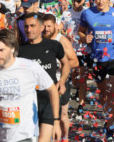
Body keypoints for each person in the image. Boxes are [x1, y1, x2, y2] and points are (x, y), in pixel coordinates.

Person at [0, 29, 61, 142]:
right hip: (1, 135)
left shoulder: (30, 67)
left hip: (26, 134)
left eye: (1, 50)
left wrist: (55, 121)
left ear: (12, 49)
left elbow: (52, 90)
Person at [78, 0, 114, 138]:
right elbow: (81, 31)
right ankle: (108, 114)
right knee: (102, 92)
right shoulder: (87, 13)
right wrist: (84, 38)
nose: (100, 2)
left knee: (110, 88)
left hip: (113, 55)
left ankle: (110, 126)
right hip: (96, 57)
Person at [18, 13, 71, 142]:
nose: (29, 30)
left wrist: (62, 81)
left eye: (32, 26)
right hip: (28, 102)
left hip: (49, 100)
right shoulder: (19, 50)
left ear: (41, 28)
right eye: (26, 26)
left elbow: (67, 63)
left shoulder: (53, 45)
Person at [42, 12, 79, 141]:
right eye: (44, 26)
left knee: (62, 114)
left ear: (56, 26)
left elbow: (75, 61)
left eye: (49, 26)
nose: (46, 29)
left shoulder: (61, 40)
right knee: (48, 114)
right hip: (44, 83)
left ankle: (65, 137)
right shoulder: (40, 40)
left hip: (60, 81)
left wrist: (57, 63)